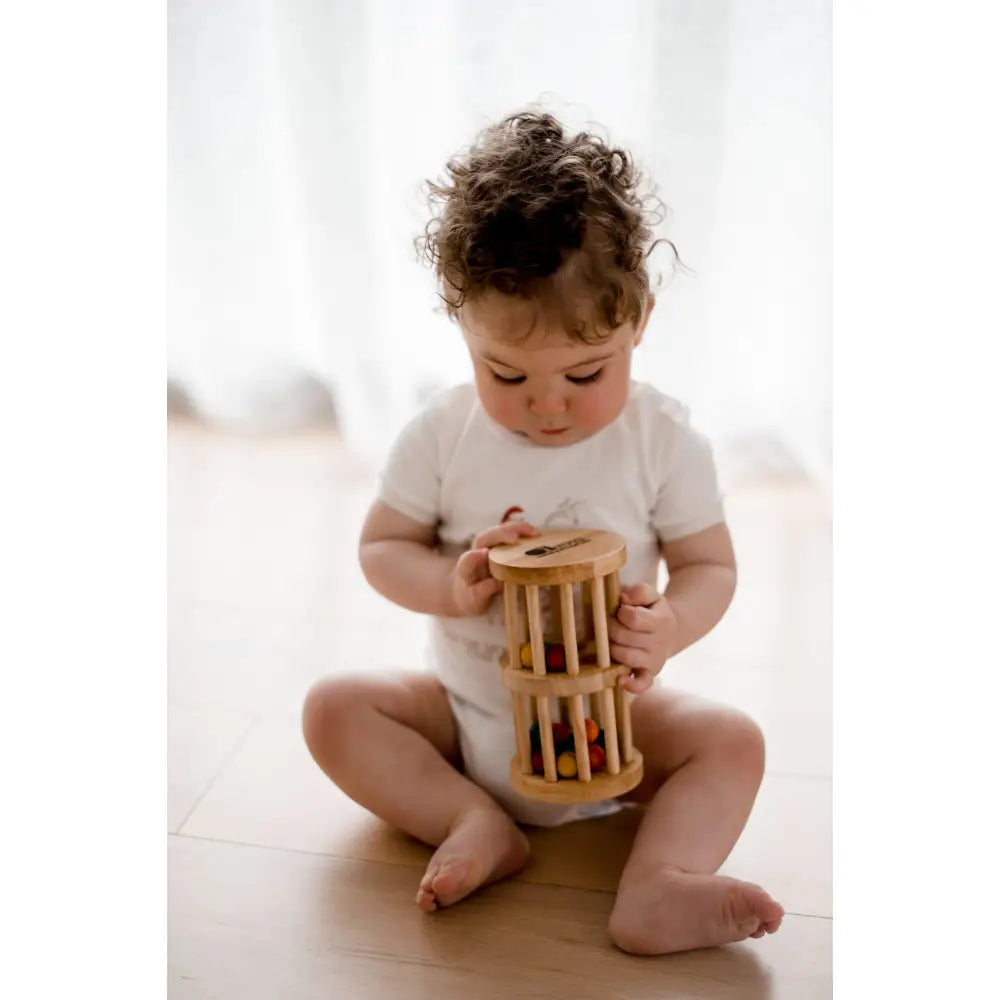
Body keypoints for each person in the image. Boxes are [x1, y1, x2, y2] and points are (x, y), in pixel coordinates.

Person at [302, 110, 784, 955]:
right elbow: (382, 548)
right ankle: (473, 820)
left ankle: (658, 886)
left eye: (586, 372)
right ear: (465, 334)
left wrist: (668, 625)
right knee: (335, 709)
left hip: (613, 722)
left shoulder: (662, 440)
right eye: (508, 372)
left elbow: (711, 566)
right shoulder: (444, 434)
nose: (548, 403)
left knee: (732, 742)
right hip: (465, 713)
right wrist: (451, 584)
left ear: (639, 321)